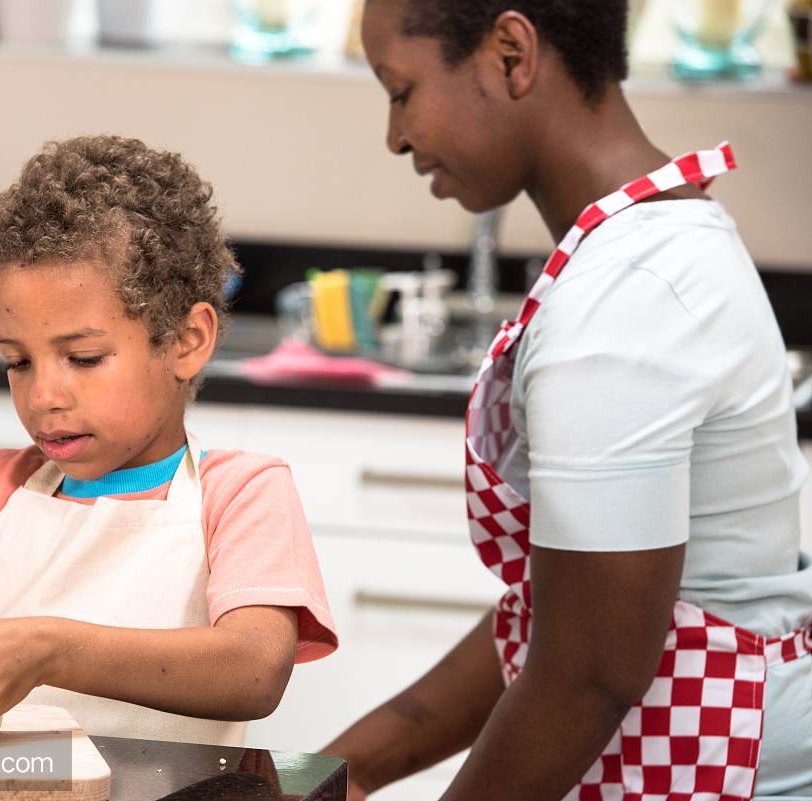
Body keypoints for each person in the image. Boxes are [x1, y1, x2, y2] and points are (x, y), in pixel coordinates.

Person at [322, 1, 812, 799]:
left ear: (512, 53)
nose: (396, 136)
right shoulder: (659, 242)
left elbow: (585, 672)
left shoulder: (625, 298)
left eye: (400, 89)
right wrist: (340, 774)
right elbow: (563, 610)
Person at [0, 134, 337, 745]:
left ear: (186, 340)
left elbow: (254, 670)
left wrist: (51, 650)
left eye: (83, 357)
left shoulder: (242, 494)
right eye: (17, 362)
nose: (43, 395)